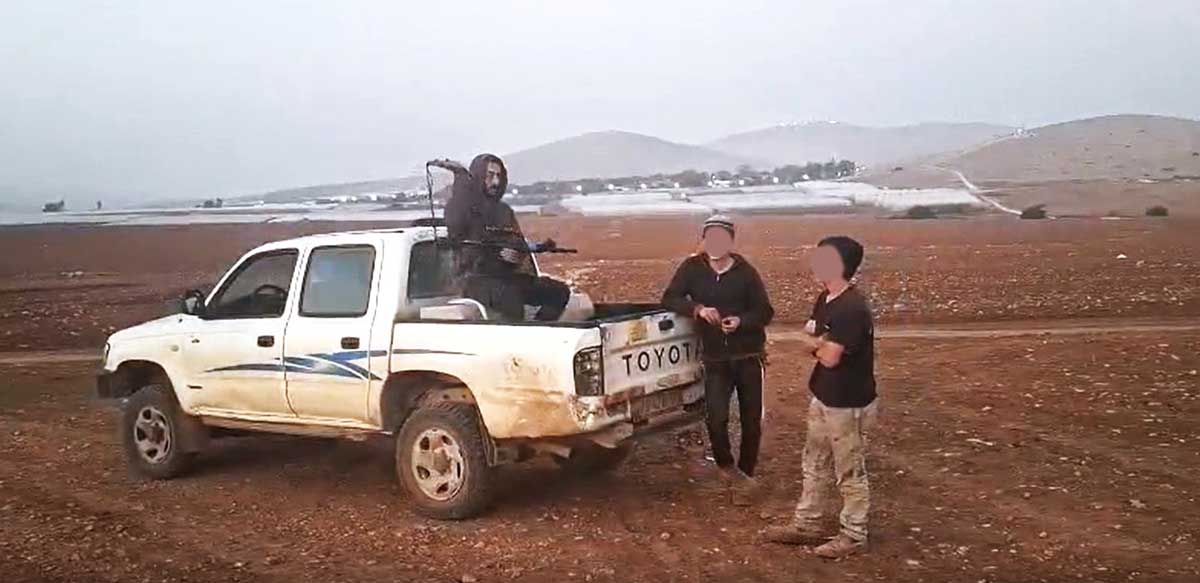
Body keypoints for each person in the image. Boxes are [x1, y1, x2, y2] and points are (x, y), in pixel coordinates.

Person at [764, 235, 877, 559]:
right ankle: (807, 523)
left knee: (849, 470)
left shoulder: (851, 309)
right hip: (824, 395)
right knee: (814, 461)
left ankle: (854, 534)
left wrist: (820, 345)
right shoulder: (825, 299)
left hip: (849, 403)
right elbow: (812, 339)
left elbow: (828, 356)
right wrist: (821, 344)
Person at [662, 215, 774, 505]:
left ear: (730, 241)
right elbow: (670, 298)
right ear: (704, 240)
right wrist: (698, 309)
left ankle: (746, 477)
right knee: (716, 417)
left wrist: (741, 320)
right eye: (710, 238)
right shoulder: (692, 268)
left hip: (748, 356)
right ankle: (727, 467)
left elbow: (765, 312)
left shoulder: (745, 272)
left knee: (751, 421)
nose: (715, 244)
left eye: (721, 238)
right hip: (715, 358)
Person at [430, 154, 570, 321]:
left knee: (558, 291)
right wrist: (460, 175)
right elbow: (456, 227)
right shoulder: (461, 207)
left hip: (506, 277)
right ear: (478, 176)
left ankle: (537, 329)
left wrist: (518, 254)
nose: (495, 182)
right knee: (509, 298)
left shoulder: (504, 211)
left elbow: (517, 240)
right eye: (489, 176)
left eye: (498, 176)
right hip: (474, 280)